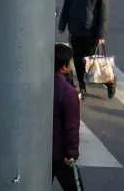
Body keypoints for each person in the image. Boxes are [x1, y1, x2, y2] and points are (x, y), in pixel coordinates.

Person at [57, 0, 115, 100]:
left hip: (91, 32)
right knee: (77, 60)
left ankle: (110, 82)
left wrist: (101, 35)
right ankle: (81, 85)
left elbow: (104, 11)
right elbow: (67, 4)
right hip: (75, 29)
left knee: (93, 63)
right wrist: (62, 24)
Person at [52, 43, 82, 191]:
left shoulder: (42, 82)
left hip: (41, 149)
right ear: (64, 67)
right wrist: (72, 152)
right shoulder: (67, 92)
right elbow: (72, 126)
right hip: (60, 152)